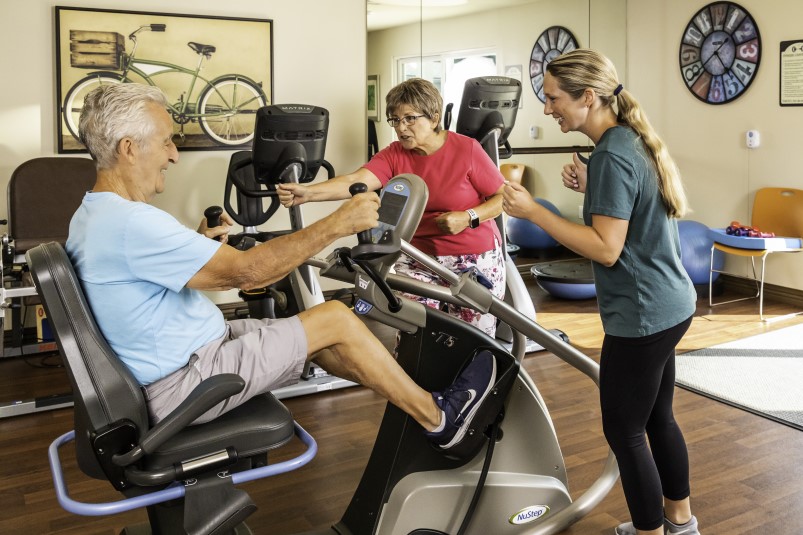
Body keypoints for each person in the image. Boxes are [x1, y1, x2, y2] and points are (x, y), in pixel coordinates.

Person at [65, 82, 496, 453]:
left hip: (192, 357)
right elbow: (248, 274)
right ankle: (441, 419)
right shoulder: (133, 223)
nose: (174, 155)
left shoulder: (96, 214)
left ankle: (415, 398)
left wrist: (197, 245)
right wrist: (338, 223)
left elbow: (151, 274)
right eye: (166, 142)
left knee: (325, 339)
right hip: (186, 382)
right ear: (128, 149)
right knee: (336, 318)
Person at [502, 49, 700, 535]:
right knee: (657, 418)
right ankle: (681, 522)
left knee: (624, 429)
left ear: (587, 97)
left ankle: (651, 531)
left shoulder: (612, 151)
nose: (547, 109)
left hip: (643, 312)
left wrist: (534, 213)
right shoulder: (625, 142)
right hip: (672, 303)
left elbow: (607, 249)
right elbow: (631, 215)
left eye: (553, 99)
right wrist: (594, 186)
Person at [277, 78, 506, 338]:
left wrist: (468, 217)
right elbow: (356, 180)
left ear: (434, 118)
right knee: (416, 332)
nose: (401, 128)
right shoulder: (395, 154)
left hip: (474, 258)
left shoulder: (467, 150)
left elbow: (502, 197)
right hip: (418, 259)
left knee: (474, 337)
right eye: (395, 120)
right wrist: (308, 193)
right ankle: (414, 379)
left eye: (409, 118)